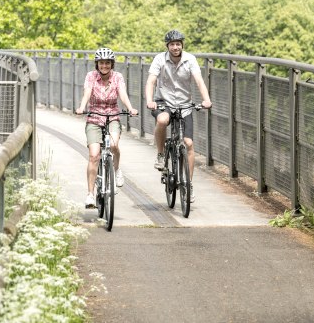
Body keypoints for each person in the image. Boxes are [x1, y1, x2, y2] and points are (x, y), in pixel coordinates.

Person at [145, 30, 212, 203]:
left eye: (178, 44)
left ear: (182, 45)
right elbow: (151, 81)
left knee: (188, 143)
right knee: (162, 120)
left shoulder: (190, 59)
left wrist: (206, 99)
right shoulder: (160, 59)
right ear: (167, 46)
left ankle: (188, 184)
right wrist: (150, 100)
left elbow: (199, 81)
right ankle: (161, 155)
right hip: (164, 102)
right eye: (172, 44)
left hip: (184, 105)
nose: (176, 47)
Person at [76, 47, 138, 208]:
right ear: (97, 64)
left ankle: (116, 171)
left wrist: (130, 108)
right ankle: (90, 194)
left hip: (112, 117)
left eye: (108, 63)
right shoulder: (91, 76)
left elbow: (122, 94)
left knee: (114, 145)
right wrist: (82, 107)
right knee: (94, 155)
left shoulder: (117, 77)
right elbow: (87, 93)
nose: (104, 66)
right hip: (94, 118)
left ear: (112, 64)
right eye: (102, 63)